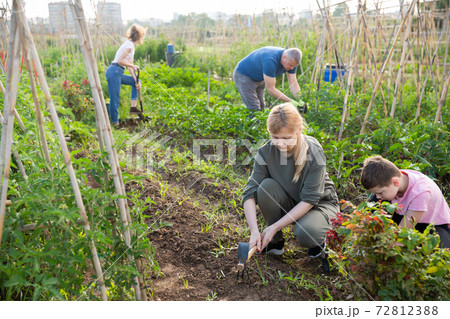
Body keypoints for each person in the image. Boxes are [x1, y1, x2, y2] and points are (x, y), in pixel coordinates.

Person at [242, 102, 339, 259]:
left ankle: (319, 240)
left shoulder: (313, 151)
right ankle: (274, 241)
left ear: (299, 131)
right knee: (265, 187)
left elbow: (310, 200)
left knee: (307, 233)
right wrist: (254, 230)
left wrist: (275, 225)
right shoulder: (266, 152)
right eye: (275, 137)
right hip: (292, 202)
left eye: (287, 138)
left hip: (319, 205)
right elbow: (249, 193)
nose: (280, 143)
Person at [361, 155, 450, 248]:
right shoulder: (394, 179)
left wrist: (386, 246)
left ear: (395, 182)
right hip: (405, 214)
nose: (378, 196)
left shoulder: (421, 192)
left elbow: (404, 229)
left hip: (432, 225)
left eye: (380, 192)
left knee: (438, 247)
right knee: (374, 207)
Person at [233, 46, 303, 112]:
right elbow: (271, 90)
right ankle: (253, 124)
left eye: (294, 66)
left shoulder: (291, 62)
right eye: (290, 65)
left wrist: (300, 100)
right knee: (254, 108)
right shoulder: (270, 60)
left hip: (260, 77)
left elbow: (293, 84)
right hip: (244, 75)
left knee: (262, 106)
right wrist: (290, 101)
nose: (292, 68)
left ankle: (260, 124)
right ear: (284, 57)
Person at [106, 24, 146, 126]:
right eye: (143, 35)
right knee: (115, 99)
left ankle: (133, 107)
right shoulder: (129, 46)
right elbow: (120, 61)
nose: (143, 38)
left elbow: (129, 66)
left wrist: (136, 81)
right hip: (114, 71)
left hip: (118, 72)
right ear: (139, 36)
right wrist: (133, 65)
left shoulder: (131, 46)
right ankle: (116, 124)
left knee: (136, 82)